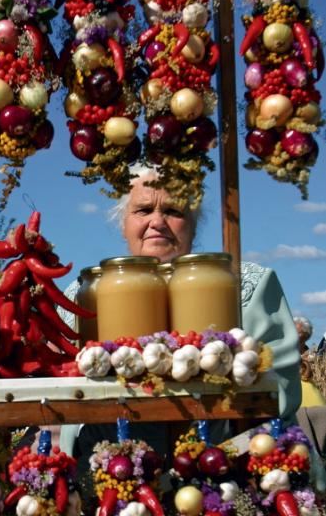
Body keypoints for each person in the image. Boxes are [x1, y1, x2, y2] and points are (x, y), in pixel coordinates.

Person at [61, 165, 302, 465]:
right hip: (110, 463)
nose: (157, 222)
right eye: (143, 210)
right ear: (123, 224)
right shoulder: (84, 294)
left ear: (194, 224)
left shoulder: (246, 284)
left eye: (173, 211)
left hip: (225, 460)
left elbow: (281, 388)